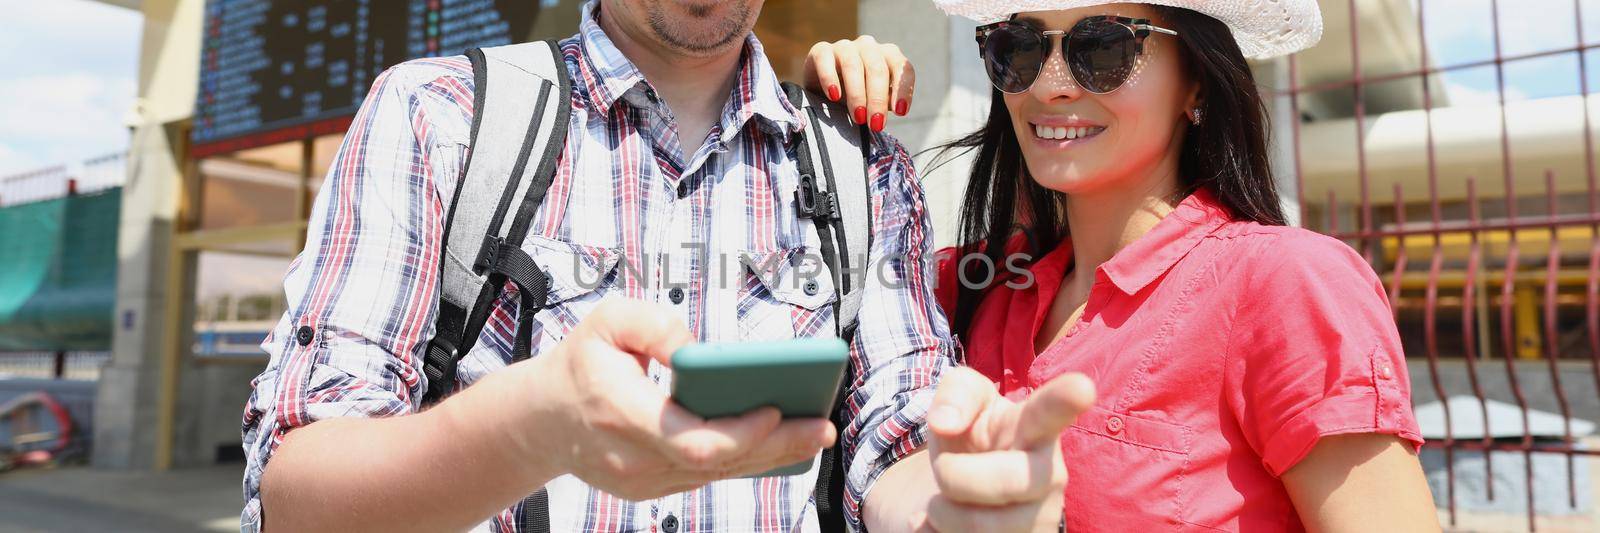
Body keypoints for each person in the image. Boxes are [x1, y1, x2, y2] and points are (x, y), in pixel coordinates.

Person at [240, 0, 1093, 531]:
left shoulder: (862, 166)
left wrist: (955, 502)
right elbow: (296, 497)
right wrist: (530, 428)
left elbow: (896, 433)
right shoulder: (437, 117)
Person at [808, 0, 1441, 530]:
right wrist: (815, 127)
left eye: (1104, 48)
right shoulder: (965, 289)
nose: (1050, 83)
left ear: (1196, 78)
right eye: (1017, 47)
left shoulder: (1288, 282)